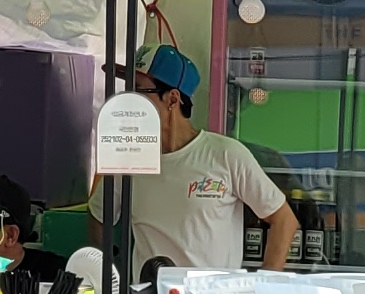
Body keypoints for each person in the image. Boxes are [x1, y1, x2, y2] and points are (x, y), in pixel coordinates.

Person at [121, 48, 296, 274]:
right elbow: (99, 217)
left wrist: (266, 283)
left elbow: (283, 219)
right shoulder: (127, 157)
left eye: (138, 91)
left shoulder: (225, 154)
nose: (128, 101)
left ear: (172, 99)